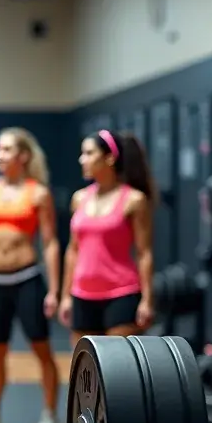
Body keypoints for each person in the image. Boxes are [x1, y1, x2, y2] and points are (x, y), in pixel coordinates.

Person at [0, 128, 60, 423]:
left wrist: (55, 290)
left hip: (26, 278)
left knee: (42, 350)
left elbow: (50, 243)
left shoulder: (38, 193)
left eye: (6, 149)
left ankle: (49, 415)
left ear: (22, 156)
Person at [59, 129, 156, 343]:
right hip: (82, 294)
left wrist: (147, 300)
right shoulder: (79, 198)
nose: (81, 159)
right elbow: (73, 250)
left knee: (117, 371)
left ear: (109, 158)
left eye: (89, 153)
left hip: (121, 294)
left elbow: (144, 253)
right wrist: (66, 296)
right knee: (85, 371)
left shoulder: (134, 200)